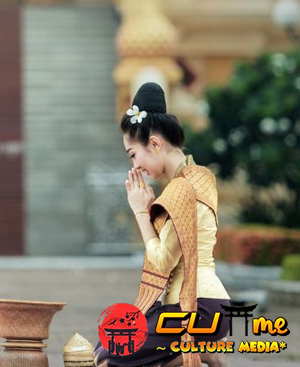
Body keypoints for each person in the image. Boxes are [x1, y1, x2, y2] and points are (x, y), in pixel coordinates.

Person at [93, 82, 230, 367]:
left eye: (133, 154)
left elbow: (163, 260)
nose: (134, 167)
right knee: (107, 343)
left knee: (109, 357)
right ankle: (188, 356)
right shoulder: (199, 178)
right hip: (203, 307)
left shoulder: (182, 190)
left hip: (196, 308)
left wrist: (141, 212)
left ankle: (192, 353)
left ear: (155, 143)